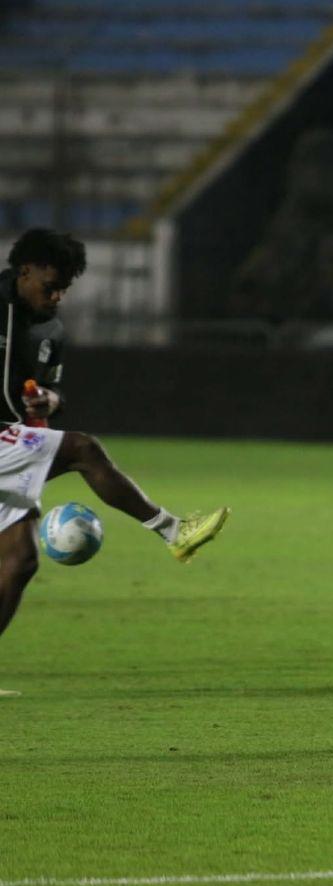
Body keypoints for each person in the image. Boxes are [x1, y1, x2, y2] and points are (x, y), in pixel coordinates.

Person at [0, 229, 229, 697]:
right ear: (24, 272)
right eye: (50, 286)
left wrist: (49, 400)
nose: (58, 296)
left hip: (10, 441)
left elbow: (48, 394)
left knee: (20, 560)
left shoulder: (52, 330)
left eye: (65, 288)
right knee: (84, 449)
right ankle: (172, 530)